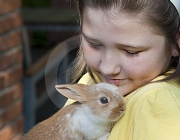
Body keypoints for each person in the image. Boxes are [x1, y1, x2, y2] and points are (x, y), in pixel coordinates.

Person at [65, 0, 180, 139]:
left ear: (176, 41)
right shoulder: (93, 82)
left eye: (131, 52)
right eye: (94, 45)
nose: (107, 68)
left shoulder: (157, 101)